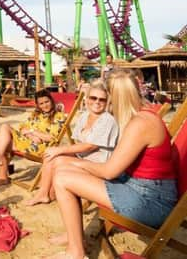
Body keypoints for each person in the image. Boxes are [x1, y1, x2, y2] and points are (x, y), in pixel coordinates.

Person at [47, 69, 178, 259]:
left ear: (113, 98)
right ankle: (73, 235)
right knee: (62, 166)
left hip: (151, 202)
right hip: (140, 187)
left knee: (62, 178)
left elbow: (109, 172)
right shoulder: (143, 115)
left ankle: (75, 252)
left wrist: (80, 165)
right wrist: (74, 163)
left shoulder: (140, 124)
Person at [25, 81, 118, 206]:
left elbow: (91, 145)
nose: (97, 102)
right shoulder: (84, 116)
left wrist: (60, 150)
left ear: (107, 102)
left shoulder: (107, 120)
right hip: (82, 157)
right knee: (50, 156)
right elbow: (78, 142)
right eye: (93, 98)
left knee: (56, 158)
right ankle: (45, 193)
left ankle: (46, 193)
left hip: (98, 164)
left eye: (102, 99)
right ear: (87, 98)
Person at [0, 89, 66, 187]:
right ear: (37, 105)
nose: (45, 105)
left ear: (51, 101)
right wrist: (30, 135)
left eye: (47, 102)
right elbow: (23, 128)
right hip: (27, 140)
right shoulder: (36, 114)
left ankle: (2, 173)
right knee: (4, 128)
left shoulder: (59, 116)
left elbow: (52, 138)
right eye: (41, 103)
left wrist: (33, 132)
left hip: (40, 147)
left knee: (4, 142)